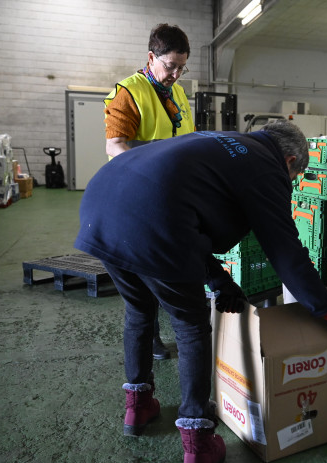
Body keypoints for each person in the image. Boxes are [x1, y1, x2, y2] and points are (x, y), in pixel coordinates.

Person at [74, 120, 327, 463]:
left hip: (100, 211)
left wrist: (219, 280)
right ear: (291, 161)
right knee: (191, 325)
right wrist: (326, 307)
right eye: (295, 178)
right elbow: (285, 249)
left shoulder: (225, 143)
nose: (291, 185)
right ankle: (197, 438)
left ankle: (139, 405)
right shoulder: (266, 167)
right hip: (149, 222)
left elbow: (180, 215)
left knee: (139, 311)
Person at [104, 23, 195, 360]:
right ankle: (151, 338)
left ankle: (177, 330)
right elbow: (115, 146)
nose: (175, 73)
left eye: (181, 66)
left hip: (174, 191)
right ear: (151, 57)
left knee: (171, 263)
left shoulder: (179, 93)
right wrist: (152, 172)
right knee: (145, 273)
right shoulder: (128, 92)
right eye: (169, 65)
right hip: (139, 193)